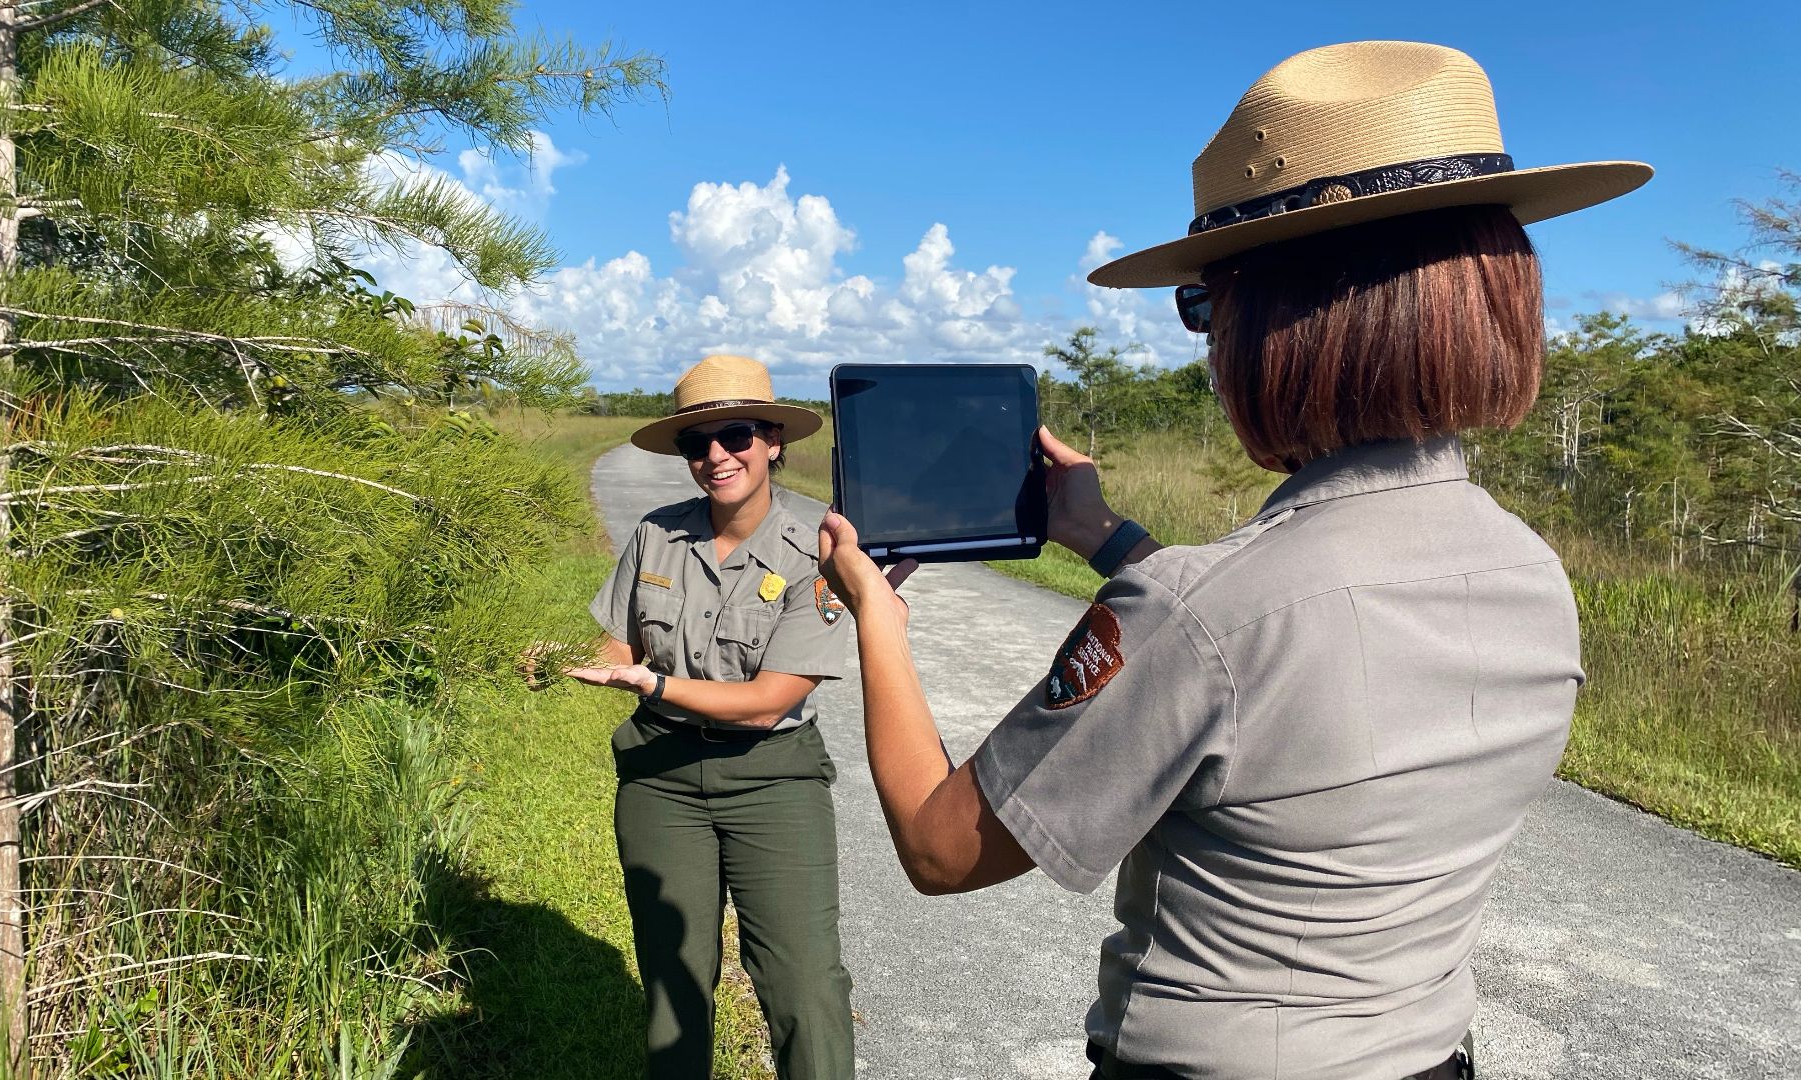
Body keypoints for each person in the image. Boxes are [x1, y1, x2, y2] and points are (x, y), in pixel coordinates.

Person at [815, 41, 1650, 1080]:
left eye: (1209, 306)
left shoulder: (1200, 616)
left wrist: (879, 624)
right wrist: (1103, 537)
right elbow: (1291, 649)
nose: (1210, 349)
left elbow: (945, 849)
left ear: (1279, 329)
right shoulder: (1532, 576)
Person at [568, 353, 855, 1080]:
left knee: (804, 986)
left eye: (736, 436)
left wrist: (652, 684)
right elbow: (618, 641)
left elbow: (767, 705)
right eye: (698, 444)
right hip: (659, 777)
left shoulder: (819, 544)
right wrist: (565, 658)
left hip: (772, 780)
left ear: (774, 441)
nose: (716, 456)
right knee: (674, 978)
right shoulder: (657, 533)